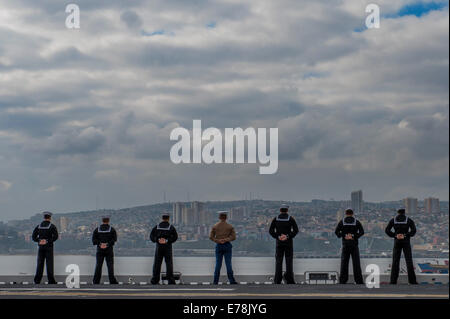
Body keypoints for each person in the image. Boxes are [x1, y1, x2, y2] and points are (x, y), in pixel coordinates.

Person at [385, 208, 418, 285]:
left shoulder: (393, 220)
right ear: (404, 213)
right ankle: (412, 281)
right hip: (406, 242)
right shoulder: (409, 220)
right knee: (409, 261)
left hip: (397, 242)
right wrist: (406, 235)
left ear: (398, 213)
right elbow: (414, 231)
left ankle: (393, 281)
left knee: (395, 261)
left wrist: (395, 235)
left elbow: (387, 230)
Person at [269, 204, 299, 284]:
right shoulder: (291, 219)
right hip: (288, 243)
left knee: (278, 261)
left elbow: (271, 231)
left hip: (279, 243)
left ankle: (277, 280)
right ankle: (289, 279)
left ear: (280, 210)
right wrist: (287, 236)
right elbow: (296, 230)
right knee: (289, 261)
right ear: (287, 210)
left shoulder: (276, 219)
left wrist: (278, 236)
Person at [334, 208, 364, 284]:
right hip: (354, 244)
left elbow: (336, 232)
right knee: (356, 263)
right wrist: (353, 236)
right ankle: (358, 280)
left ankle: (343, 280)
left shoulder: (342, 222)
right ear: (352, 214)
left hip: (345, 244)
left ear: (345, 213)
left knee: (344, 263)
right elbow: (362, 232)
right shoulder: (356, 222)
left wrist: (344, 235)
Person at [209, 211, 238, 285]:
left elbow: (211, 237)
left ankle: (215, 281)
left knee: (218, 264)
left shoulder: (215, 226)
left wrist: (218, 240)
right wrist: (226, 240)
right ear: (226, 218)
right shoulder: (230, 226)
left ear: (219, 218)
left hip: (218, 245)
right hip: (227, 245)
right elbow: (234, 237)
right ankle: (231, 281)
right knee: (228, 264)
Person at [150, 214, 178, 284]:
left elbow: (151, 236)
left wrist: (157, 240)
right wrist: (167, 240)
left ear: (162, 218)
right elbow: (175, 237)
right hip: (167, 246)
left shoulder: (157, 227)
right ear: (168, 219)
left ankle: (155, 280)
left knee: (157, 263)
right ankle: (170, 280)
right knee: (169, 264)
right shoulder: (171, 227)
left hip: (159, 247)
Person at [32, 212, 59, 284]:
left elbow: (33, 237)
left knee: (40, 264)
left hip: (41, 247)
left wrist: (39, 240)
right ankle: (51, 280)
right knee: (49, 264)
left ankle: (37, 280)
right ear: (50, 218)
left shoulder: (38, 226)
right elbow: (56, 237)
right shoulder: (52, 226)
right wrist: (47, 241)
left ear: (44, 217)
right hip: (49, 247)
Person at [92, 215, 119, 284]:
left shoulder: (97, 229)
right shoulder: (112, 229)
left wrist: (100, 244)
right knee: (110, 266)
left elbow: (94, 240)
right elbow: (114, 239)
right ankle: (112, 281)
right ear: (108, 221)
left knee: (98, 265)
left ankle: (96, 281)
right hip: (109, 250)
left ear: (102, 220)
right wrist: (107, 244)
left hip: (99, 250)